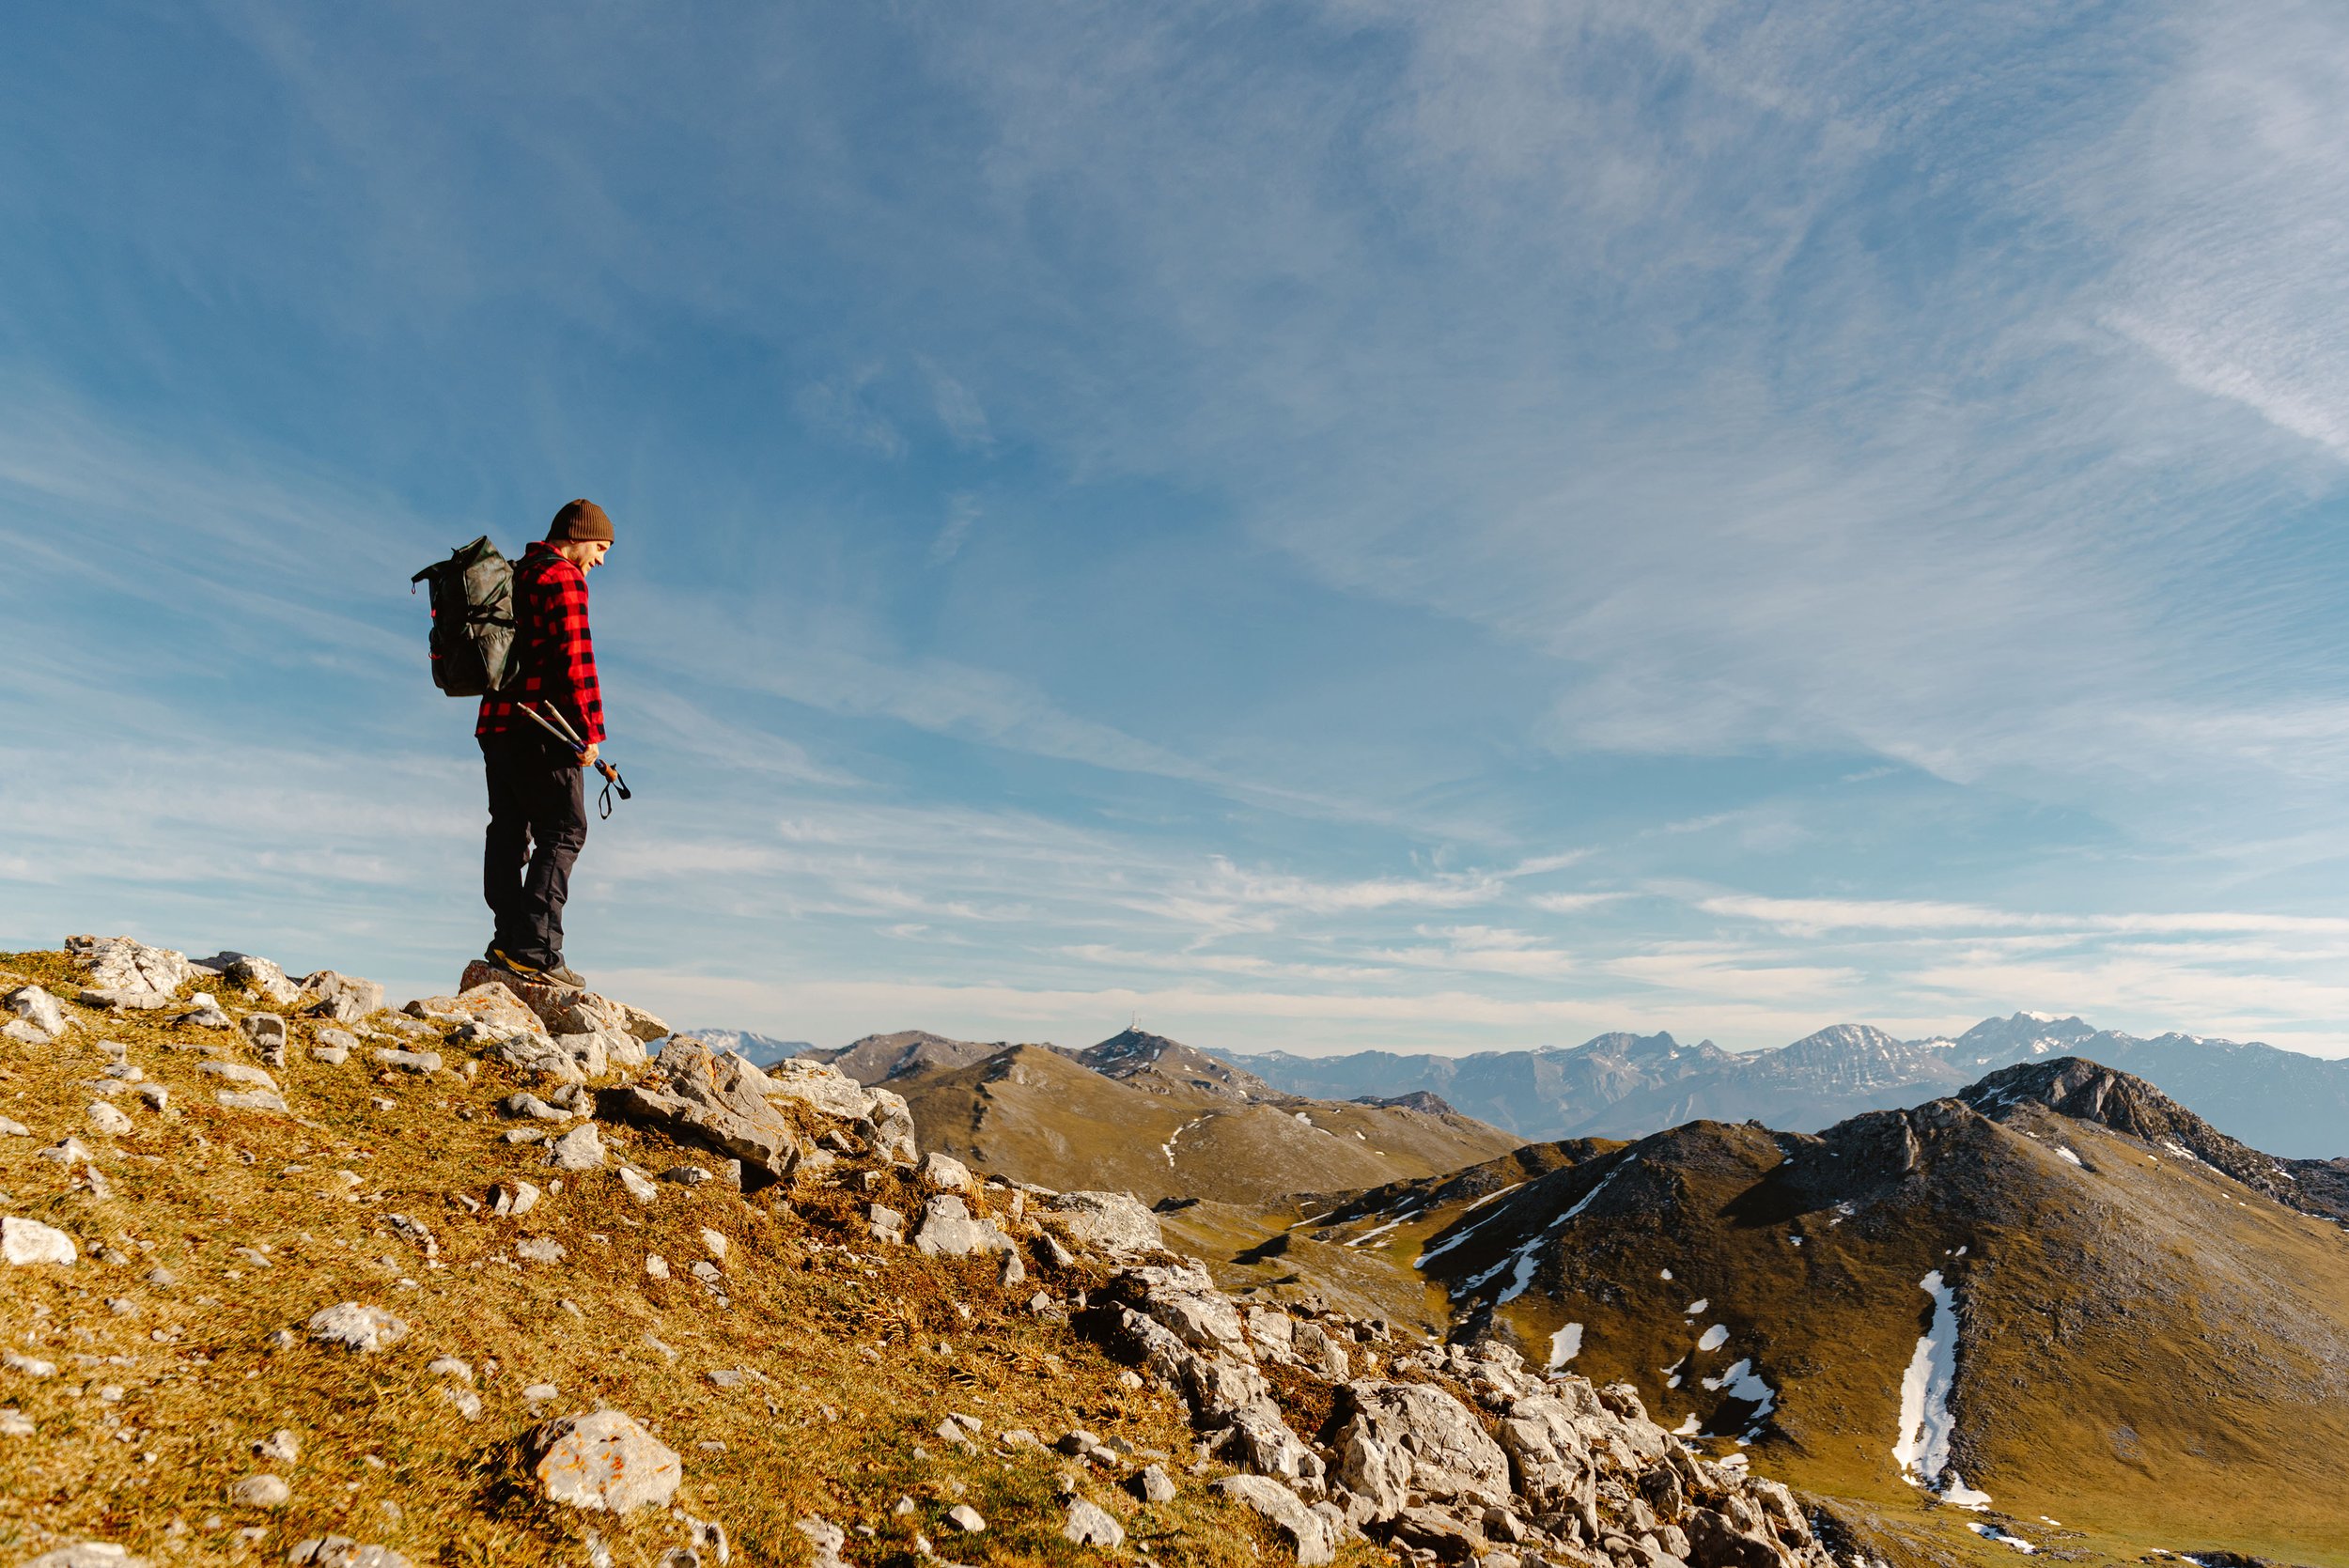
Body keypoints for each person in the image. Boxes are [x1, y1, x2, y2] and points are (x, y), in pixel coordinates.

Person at [475, 498, 614, 989]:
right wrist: (591, 732)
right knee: (564, 831)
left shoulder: (518, 573)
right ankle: (536, 950)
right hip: (543, 728)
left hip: (496, 726)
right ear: (576, 534)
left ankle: (507, 940)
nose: (600, 560)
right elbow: (576, 661)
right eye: (600, 547)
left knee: (509, 830)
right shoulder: (562, 578)